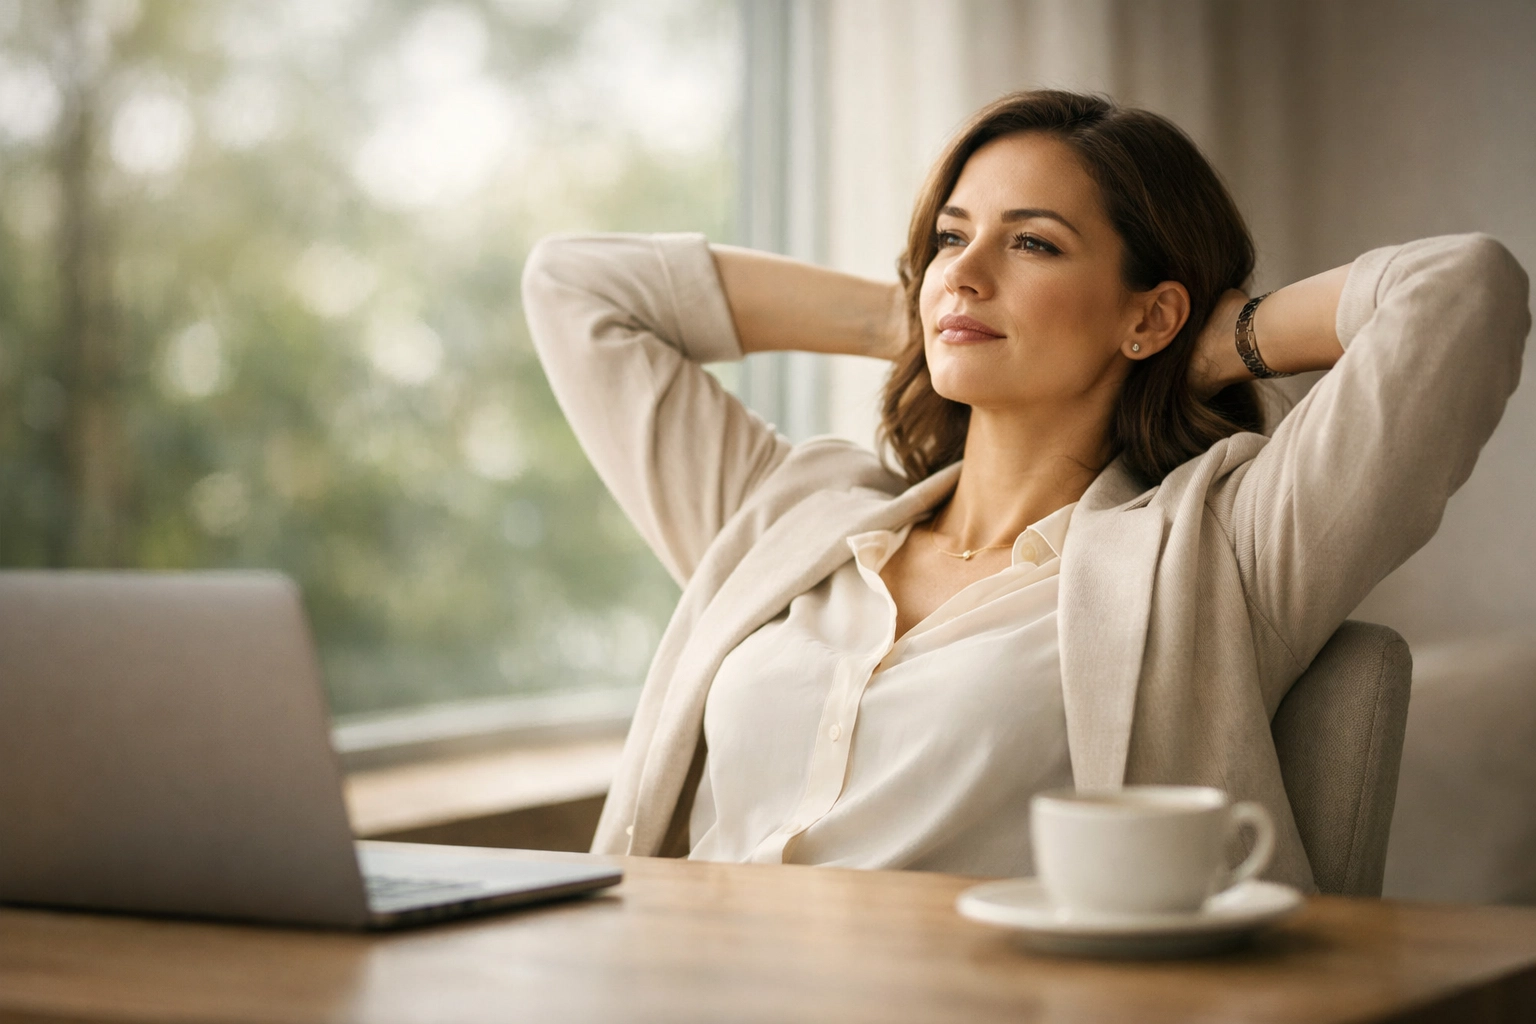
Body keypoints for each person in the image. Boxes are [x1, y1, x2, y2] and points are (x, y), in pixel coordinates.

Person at [520, 90, 1528, 890]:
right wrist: (917, 315)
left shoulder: (1216, 553)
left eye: (1033, 242)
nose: (966, 271)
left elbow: (1463, 293)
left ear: (1149, 313)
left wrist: (1217, 342)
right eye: (951, 237)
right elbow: (575, 286)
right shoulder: (791, 517)